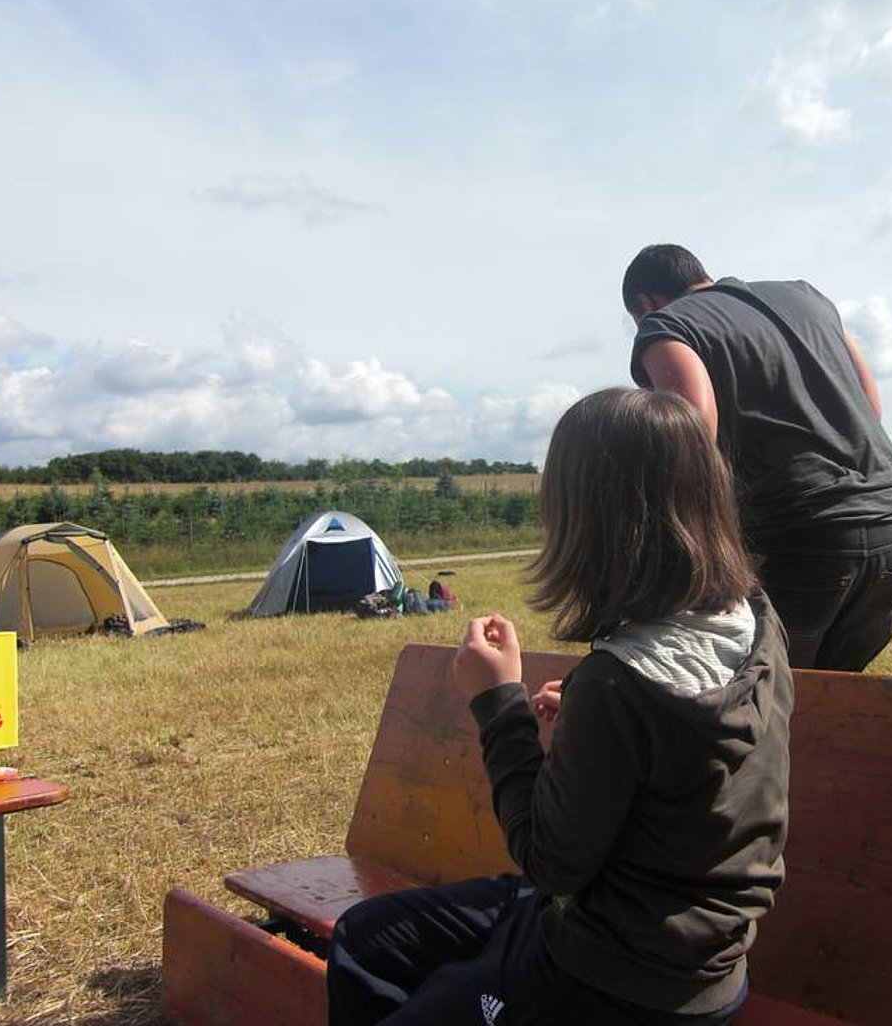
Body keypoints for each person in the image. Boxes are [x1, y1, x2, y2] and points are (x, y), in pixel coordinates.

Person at [326, 387, 793, 1026]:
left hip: (611, 978)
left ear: (590, 522)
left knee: (388, 965)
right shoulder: (758, 619)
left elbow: (549, 863)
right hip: (693, 960)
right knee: (364, 938)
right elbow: (684, 737)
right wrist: (584, 703)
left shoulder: (618, 685)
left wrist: (499, 702)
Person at [622, 243, 892, 673]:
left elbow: (690, 442)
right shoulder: (809, 299)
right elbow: (871, 406)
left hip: (796, 537)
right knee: (834, 692)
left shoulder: (667, 326)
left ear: (645, 303)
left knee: (759, 694)